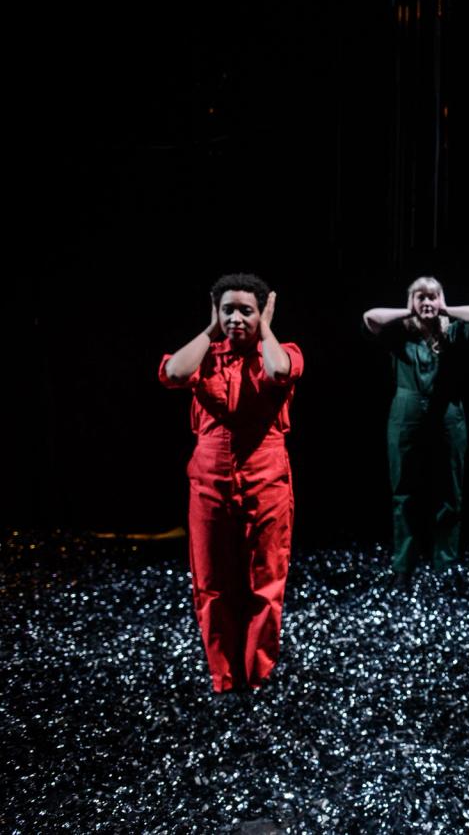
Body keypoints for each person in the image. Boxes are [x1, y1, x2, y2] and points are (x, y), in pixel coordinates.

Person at [159, 273, 303, 693]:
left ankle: (258, 675)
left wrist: (267, 329)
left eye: (246, 310)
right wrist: (210, 329)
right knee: (212, 582)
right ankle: (223, 676)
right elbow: (173, 372)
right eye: (228, 310)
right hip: (210, 480)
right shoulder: (206, 354)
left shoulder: (281, 351)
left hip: (267, 478)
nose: (236, 318)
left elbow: (279, 371)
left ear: (261, 313)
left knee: (266, 580)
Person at [362, 278, 469, 583]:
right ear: (412, 300)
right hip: (406, 413)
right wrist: (409, 311)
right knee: (403, 490)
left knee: (450, 490)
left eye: (433, 296)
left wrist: (445, 309)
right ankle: (403, 565)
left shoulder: (453, 332)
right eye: (421, 297)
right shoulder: (401, 334)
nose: (428, 302)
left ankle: (445, 563)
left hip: (448, 413)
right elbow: (370, 318)